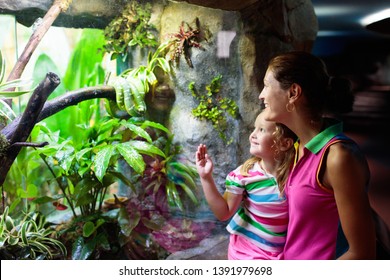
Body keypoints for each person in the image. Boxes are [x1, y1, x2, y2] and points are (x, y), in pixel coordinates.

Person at [259, 51, 376, 260]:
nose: (261, 95)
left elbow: (362, 254)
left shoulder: (337, 157)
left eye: (267, 85)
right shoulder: (297, 147)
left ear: (293, 92)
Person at [195, 112, 297, 259]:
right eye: (254, 128)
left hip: (280, 252)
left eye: (261, 130)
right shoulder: (245, 175)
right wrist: (206, 178)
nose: (252, 135)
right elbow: (224, 213)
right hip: (247, 252)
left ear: (285, 143)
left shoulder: (297, 173)